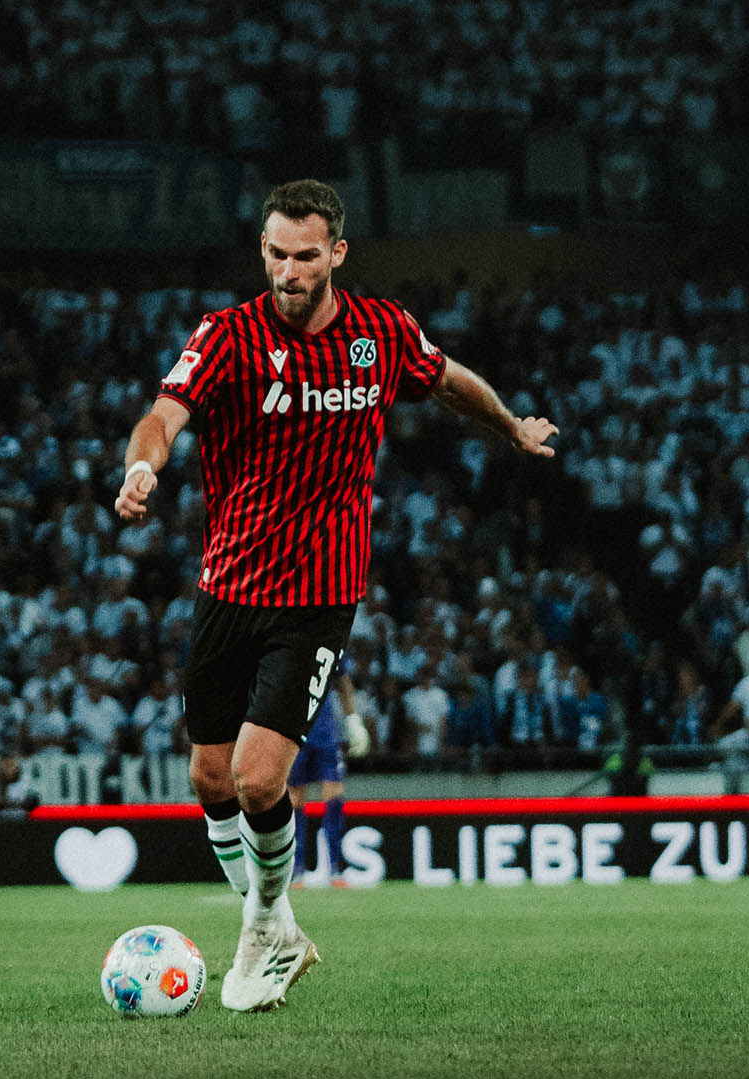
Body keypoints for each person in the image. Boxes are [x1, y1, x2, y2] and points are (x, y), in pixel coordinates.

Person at [114, 179, 557, 1012]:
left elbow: (452, 378)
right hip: (228, 587)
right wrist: (144, 464)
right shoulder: (226, 338)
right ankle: (272, 927)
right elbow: (164, 415)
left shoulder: (380, 333)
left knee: (254, 779)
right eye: (276, 254)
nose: (287, 270)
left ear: (337, 254)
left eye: (305, 255)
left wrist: (511, 427)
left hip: (319, 593)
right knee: (208, 778)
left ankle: (266, 930)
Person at [288, 667, 364, 887]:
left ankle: (336, 870)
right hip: (296, 733)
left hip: (326, 735)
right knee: (295, 802)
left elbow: (343, 681)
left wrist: (352, 718)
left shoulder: (330, 639)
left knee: (334, 800)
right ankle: (296, 870)